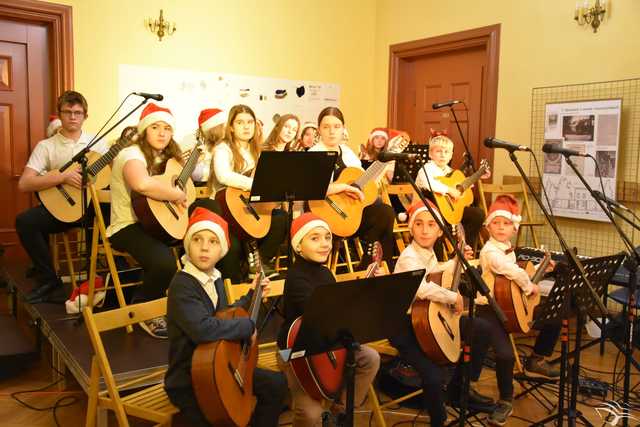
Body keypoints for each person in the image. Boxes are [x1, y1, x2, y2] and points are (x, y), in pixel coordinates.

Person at [165, 207, 287, 427]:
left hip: (219, 368)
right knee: (226, 419)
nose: (204, 247)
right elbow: (204, 329)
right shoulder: (182, 284)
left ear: (221, 249)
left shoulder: (215, 277)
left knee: (276, 384)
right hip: (191, 379)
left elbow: (223, 315)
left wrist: (252, 295)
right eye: (197, 240)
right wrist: (247, 326)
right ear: (188, 245)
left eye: (213, 241)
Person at [392, 200, 495, 427]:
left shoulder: (428, 253)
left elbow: (437, 273)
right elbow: (419, 287)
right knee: (434, 375)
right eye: (418, 224)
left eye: (431, 224)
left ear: (440, 231)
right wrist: (453, 297)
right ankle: (438, 419)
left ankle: (461, 387)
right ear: (411, 228)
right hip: (406, 324)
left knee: (482, 329)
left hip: (429, 318)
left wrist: (457, 260)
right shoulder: (409, 256)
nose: (425, 229)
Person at [277, 213, 380, 426]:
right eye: (314, 238)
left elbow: (337, 315)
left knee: (370, 358)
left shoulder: (325, 273)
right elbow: (322, 314)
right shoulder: (295, 278)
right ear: (298, 246)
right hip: (296, 351)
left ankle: (339, 412)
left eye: (327, 237)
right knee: (310, 415)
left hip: (326, 342)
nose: (324, 244)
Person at [16, 90, 107, 304]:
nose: (73, 117)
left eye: (78, 112)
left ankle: (113, 278)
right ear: (60, 115)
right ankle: (49, 280)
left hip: (91, 208)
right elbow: (25, 183)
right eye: (68, 112)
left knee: (118, 215)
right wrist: (62, 177)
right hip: (62, 208)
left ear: (85, 115)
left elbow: (109, 175)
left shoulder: (97, 143)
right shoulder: (46, 146)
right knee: (25, 222)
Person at [106, 103, 186, 338]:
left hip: (154, 223)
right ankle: (143, 306)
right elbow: (141, 184)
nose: (162, 133)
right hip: (126, 226)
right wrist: (176, 194)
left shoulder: (164, 157)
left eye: (167, 129)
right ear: (144, 131)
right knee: (164, 262)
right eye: (155, 127)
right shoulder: (131, 154)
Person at [479, 195, 560, 426]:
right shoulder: (490, 251)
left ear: (514, 228)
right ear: (488, 225)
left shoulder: (507, 248)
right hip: (491, 310)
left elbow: (513, 281)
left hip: (511, 306)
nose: (501, 227)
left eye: (506, 223)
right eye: (496, 223)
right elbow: (510, 272)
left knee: (553, 314)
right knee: (504, 355)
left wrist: (542, 272)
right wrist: (529, 285)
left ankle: (537, 359)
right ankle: (505, 399)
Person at [308, 107, 395, 267]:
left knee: (385, 212)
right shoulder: (314, 153)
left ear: (343, 128)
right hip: (324, 212)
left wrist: (369, 184)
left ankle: (372, 265)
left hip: (350, 212)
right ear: (319, 129)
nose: (332, 131)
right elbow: (311, 189)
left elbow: (361, 181)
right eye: (326, 127)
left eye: (336, 126)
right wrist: (343, 187)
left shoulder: (347, 152)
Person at [210, 104, 287, 278]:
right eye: (240, 122)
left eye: (250, 122)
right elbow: (224, 176)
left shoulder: (257, 151)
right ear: (231, 126)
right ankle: (237, 282)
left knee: (281, 219)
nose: (246, 127)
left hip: (250, 206)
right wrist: (255, 184)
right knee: (234, 244)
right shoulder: (223, 149)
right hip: (226, 210)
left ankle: (259, 262)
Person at [415, 129, 488, 250]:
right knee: (437, 221)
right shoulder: (426, 169)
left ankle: (466, 249)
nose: (443, 154)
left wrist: (475, 178)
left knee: (477, 214)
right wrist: (449, 190)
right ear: (430, 154)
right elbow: (430, 184)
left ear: (451, 155)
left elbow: (462, 190)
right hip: (430, 210)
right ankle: (440, 257)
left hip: (449, 211)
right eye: (438, 151)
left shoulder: (450, 172)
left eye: (446, 152)